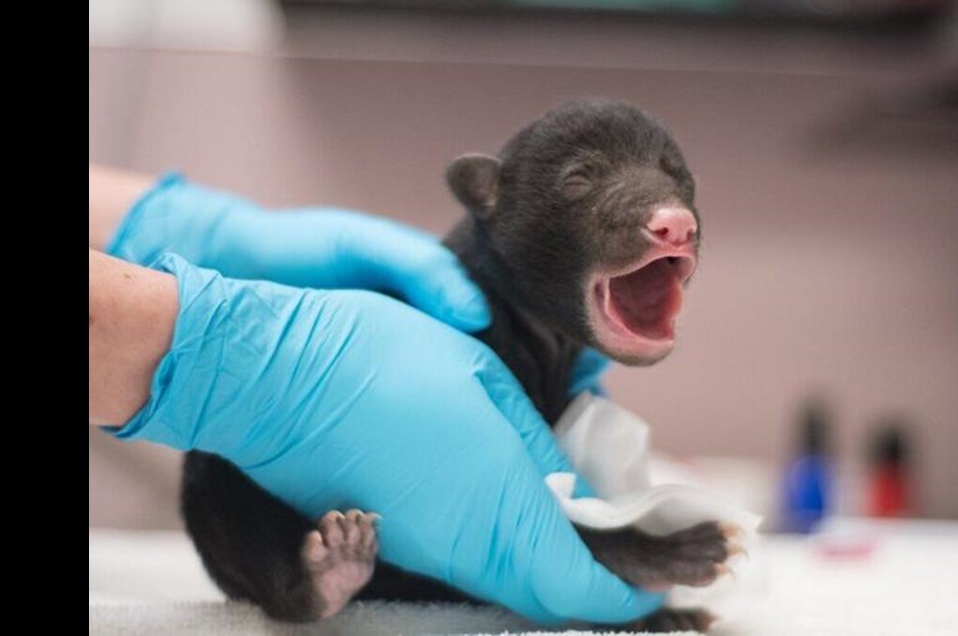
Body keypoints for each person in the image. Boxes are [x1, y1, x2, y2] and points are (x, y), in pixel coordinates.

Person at [88, 165, 662, 625]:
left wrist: (165, 224)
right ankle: (301, 583)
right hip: (279, 521)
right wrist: (220, 353)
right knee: (219, 474)